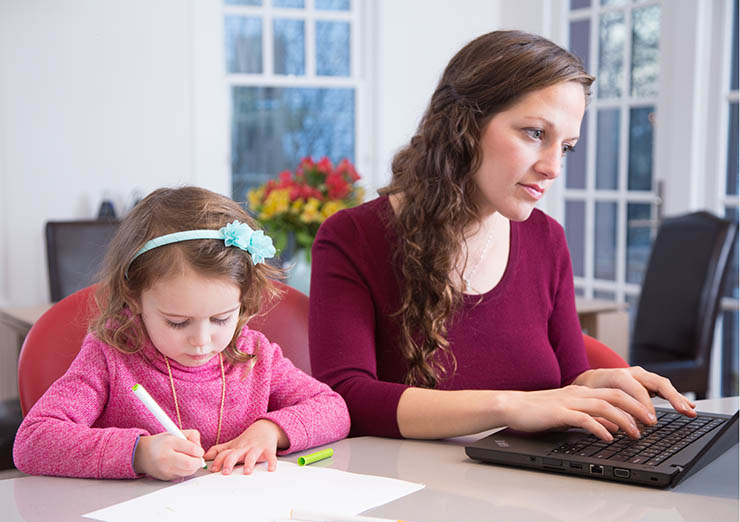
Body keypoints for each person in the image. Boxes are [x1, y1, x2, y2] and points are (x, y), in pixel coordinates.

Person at [309, 30, 696, 441]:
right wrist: (508, 404)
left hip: (535, 491)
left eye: (566, 147)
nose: (553, 168)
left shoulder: (548, 240)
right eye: (535, 133)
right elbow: (345, 397)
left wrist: (595, 384)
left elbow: (567, 382)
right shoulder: (352, 237)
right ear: (464, 126)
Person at [14, 186, 350, 480]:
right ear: (134, 297)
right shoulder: (110, 357)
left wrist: (271, 431)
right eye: (177, 322)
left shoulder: (253, 354)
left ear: (243, 299)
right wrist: (138, 454)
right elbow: (33, 440)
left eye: (221, 318)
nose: (202, 340)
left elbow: (334, 409)